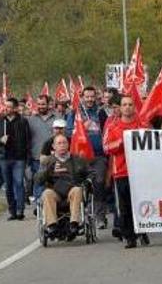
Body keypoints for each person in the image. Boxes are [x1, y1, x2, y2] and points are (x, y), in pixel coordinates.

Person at [103, 95, 151, 249]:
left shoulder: (143, 125)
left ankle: (143, 232)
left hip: (141, 171)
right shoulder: (113, 127)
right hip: (121, 171)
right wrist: (122, 142)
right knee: (124, 206)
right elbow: (107, 148)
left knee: (142, 203)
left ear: (134, 106)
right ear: (120, 107)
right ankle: (130, 236)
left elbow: (153, 143)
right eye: (124, 104)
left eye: (130, 104)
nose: (128, 107)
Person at [35, 134, 90, 241]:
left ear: (68, 144)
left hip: (71, 192)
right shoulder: (47, 161)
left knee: (77, 190)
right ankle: (52, 225)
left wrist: (88, 181)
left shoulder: (77, 159)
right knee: (47, 193)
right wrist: (49, 170)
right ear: (54, 146)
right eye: (59, 143)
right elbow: (38, 180)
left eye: (64, 143)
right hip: (55, 193)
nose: (62, 145)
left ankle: (74, 223)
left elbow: (90, 172)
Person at [68, 86, 110, 228]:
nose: (90, 99)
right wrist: (80, 128)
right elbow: (68, 132)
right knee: (77, 185)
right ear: (83, 97)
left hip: (98, 156)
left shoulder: (101, 112)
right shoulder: (75, 112)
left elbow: (107, 131)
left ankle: (100, 217)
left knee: (99, 184)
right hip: (80, 156)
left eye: (92, 96)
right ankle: (77, 215)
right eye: (87, 97)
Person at [0, 98, 31, 220]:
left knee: (19, 183)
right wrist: (0, 139)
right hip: (4, 157)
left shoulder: (23, 121)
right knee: (8, 185)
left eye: (9, 107)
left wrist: (26, 155)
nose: (6, 109)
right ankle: (12, 210)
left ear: (15, 108)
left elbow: (28, 139)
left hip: (19, 157)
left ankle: (20, 210)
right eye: (5, 106)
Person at [27, 95, 57, 205]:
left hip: (53, 157)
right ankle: (39, 208)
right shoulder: (31, 120)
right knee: (38, 182)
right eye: (39, 104)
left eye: (43, 104)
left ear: (48, 104)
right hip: (36, 157)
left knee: (52, 183)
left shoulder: (57, 118)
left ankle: (51, 206)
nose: (41, 106)